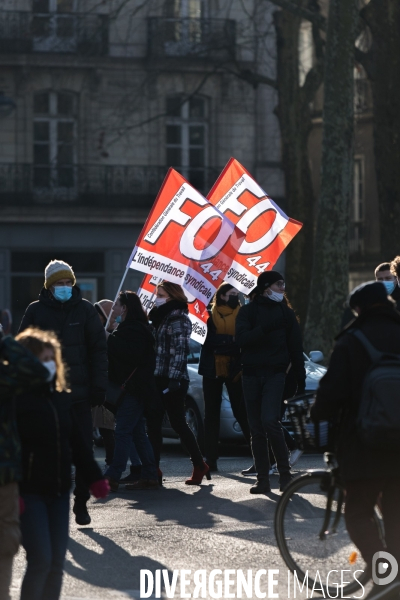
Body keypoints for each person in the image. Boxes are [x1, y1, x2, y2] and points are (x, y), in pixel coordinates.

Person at [310, 282, 400, 600]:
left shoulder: (352, 340)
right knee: (395, 511)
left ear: (358, 310)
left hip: (366, 444)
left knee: (358, 510)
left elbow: (331, 393)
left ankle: (386, 576)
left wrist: (317, 420)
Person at [14, 327, 109, 600]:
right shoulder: (13, 401)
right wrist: (12, 491)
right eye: (41, 359)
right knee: (41, 559)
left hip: (58, 493)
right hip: (28, 494)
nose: (48, 365)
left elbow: (78, 443)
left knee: (56, 562)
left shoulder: (60, 397)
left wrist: (94, 477)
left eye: (50, 358)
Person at [18, 259, 108, 526]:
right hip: (45, 397)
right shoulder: (35, 312)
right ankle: (49, 503)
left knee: (82, 450)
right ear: (49, 287)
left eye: (69, 283)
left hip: (79, 396)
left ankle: (81, 503)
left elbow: (98, 351)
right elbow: (23, 350)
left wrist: (99, 387)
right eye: (60, 283)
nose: (65, 287)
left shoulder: (85, 311)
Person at [236, 271, 306, 495]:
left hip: (275, 375)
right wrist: (265, 328)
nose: (282, 288)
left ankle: (285, 476)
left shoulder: (286, 314)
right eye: (279, 284)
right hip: (251, 375)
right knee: (256, 428)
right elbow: (242, 340)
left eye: (283, 284)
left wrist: (300, 377)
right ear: (266, 287)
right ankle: (263, 480)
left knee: (270, 422)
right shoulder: (247, 311)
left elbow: (296, 348)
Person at [0, 324, 50, 600]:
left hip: (4, 474)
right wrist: (6, 343)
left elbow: (39, 373)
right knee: (5, 539)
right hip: (4, 472)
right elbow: (37, 372)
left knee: (6, 541)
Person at [148, 281, 210, 485]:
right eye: (157, 293)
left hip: (173, 379)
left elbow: (180, 350)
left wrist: (174, 378)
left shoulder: (178, 318)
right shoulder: (161, 317)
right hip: (158, 376)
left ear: (173, 296)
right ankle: (153, 469)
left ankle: (199, 464)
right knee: (154, 423)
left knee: (178, 423)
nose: (157, 297)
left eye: (161, 294)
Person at [104, 291, 159, 491]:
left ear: (125, 308)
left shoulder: (135, 330)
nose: (114, 308)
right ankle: (150, 474)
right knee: (137, 433)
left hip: (133, 390)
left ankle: (113, 475)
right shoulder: (130, 328)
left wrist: (108, 338)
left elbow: (129, 356)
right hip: (133, 390)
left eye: (117, 304)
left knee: (123, 432)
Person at [198, 283, 251, 472]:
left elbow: (243, 342)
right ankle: (210, 459)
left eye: (237, 294)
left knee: (242, 412)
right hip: (211, 369)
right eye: (232, 294)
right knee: (211, 414)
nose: (236, 297)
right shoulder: (207, 315)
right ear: (221, 296)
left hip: (235, 369)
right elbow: (207, 341)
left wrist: (225, 343)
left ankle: (260, 456)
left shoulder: (243, 313)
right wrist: (231, 341)